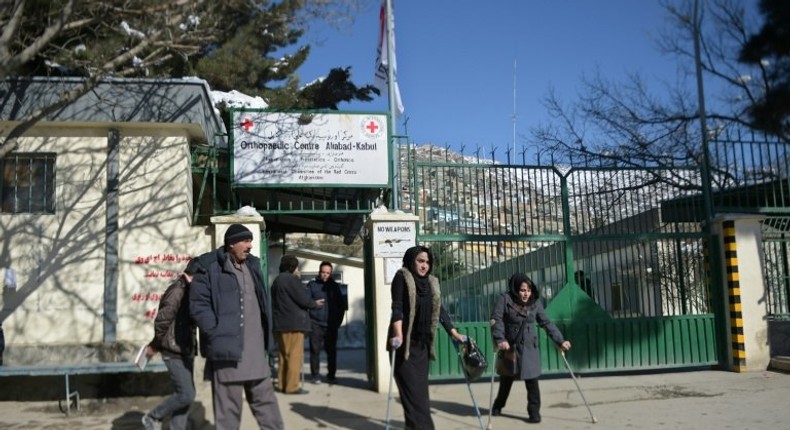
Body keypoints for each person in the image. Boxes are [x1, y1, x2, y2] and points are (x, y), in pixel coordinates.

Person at [190, 224, 284, 430]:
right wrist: (215, 332)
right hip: (227, 353)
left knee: (267, 407)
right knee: (228, 412)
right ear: (231, 243)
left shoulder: (253, 266)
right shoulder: (209, 268)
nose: (250, 245)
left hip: (256, 351)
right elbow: (198, 305)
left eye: (251, 241)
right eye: (246, 241)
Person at [388, 245, 468, 430]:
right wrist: (398, 334)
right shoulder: (402, 277)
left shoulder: (432, 282)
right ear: (411, 261)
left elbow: (439, 310)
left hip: (422, 346)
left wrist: (453, 332)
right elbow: (397, 308)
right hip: (404, 346)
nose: (424, 265)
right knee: (413, 395)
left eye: (427, 262)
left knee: (420, 396)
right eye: (420, 261)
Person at [490, 272, 571, 424]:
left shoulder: (535, 303)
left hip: (529, 349)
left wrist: (560, 341)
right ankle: (498, 405)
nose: (526, 294)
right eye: (522, 290)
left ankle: (534, 413)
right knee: (506, 381)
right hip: (510, 348)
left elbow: (546, 323)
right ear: (515, 289)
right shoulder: (505, 299)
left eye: (528, 290)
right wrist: (500, 339)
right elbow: (497, 319)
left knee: (532, 382)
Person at [142, 258, 201, 430]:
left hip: (184, 349)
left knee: (185, 395)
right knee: (186, 395)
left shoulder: (189, 290)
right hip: (172, 350)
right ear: (192, 276)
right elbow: (162, 321)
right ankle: (152, 417)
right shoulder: (177, 291)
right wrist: (155, 344)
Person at [271, 254, 324, 394]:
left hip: (280, 324)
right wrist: (315, 304)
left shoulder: (277, 280)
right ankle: (292, 387)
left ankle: (282, 384)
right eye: (297, 267)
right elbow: (304, 300)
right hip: (294, 324)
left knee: (283, 356)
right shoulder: (291, 280)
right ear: (293, 267)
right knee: (295, 356)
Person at [306, 261, 348, 384]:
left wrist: (337, 323)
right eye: (323, 272)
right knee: (315, 351)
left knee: (331, 351)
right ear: (319, 272)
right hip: (315, 324)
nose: (325, 275)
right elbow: (306, 303)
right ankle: (315, 375)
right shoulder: (312, 285)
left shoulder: (335, 287)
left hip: (331, 325)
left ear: (331, 273)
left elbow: (341, 306)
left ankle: (331, 375)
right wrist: (310, 318)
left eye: (328, 273)